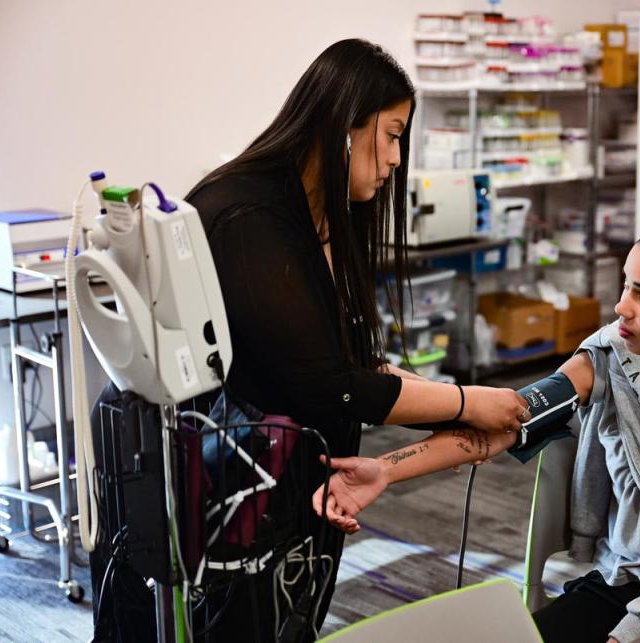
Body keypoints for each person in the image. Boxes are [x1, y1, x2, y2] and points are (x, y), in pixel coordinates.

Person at [312, 219, 640, 642]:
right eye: (625, 285)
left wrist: (637, 629)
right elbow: (512, 421)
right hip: (617, 584)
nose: (621, 307)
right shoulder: (616, 358)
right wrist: (384, 470)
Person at [178, 39, 528, 641]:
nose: (396, 159)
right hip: (237, 488)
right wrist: (470, 401)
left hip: (302, 481)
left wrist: (462, 405)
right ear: (345, 125)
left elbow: (354, 365)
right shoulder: (250, 217)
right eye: (392, 135)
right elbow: (332, 386)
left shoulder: (320, 214)